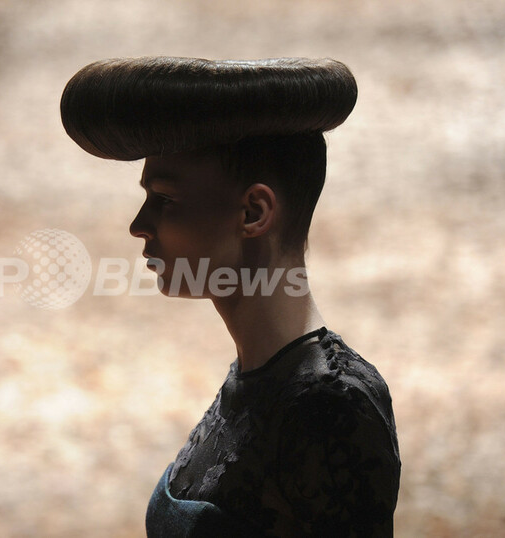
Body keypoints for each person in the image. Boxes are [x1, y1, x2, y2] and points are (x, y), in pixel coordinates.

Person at [60, 57, 401, 537]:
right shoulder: (261, 376)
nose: (139, 225)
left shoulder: (331, 405)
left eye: (164, 199)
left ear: (254, 212)